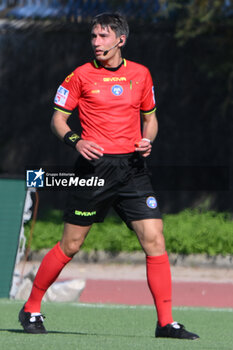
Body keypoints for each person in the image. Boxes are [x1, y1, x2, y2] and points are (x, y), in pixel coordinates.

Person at [19, 12, 199, 340]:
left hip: (132, 169)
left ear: (121, 40)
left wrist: (149, 139)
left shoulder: (141, 74)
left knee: (154, 238)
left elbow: (151, 119)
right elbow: (57, 120)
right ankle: (31, 307)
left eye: (103, 36)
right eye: (93, 37)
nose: (96, 43)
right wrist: (77, 140)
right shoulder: (79, 76)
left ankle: (166, 323)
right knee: (71, 244)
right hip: (94, 170)